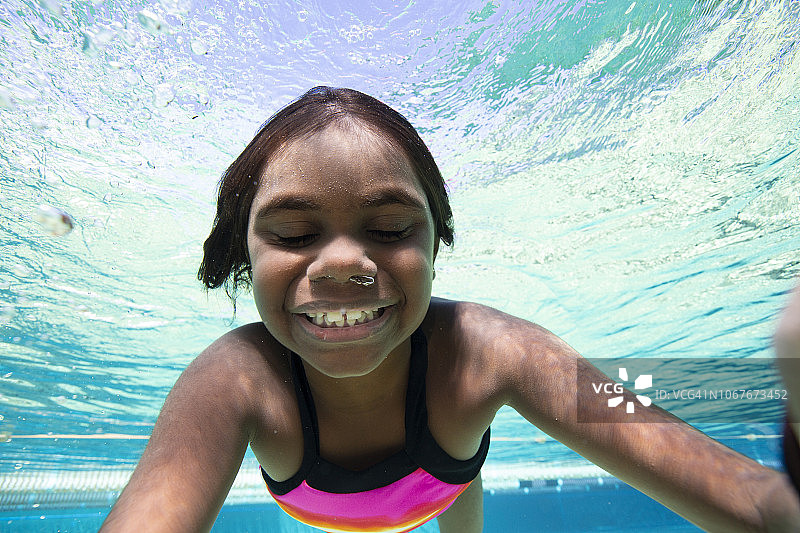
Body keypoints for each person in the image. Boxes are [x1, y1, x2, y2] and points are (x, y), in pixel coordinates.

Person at [100, 86, 800, 533]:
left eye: (390, 227)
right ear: (247, 255)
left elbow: (753, 499)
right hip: (428, 472)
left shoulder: (494, 349)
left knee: (459, 458)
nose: (346, 261)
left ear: (438, 244)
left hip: (448, 479)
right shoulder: (235, 376)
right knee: (454, 446)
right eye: (292, 233)